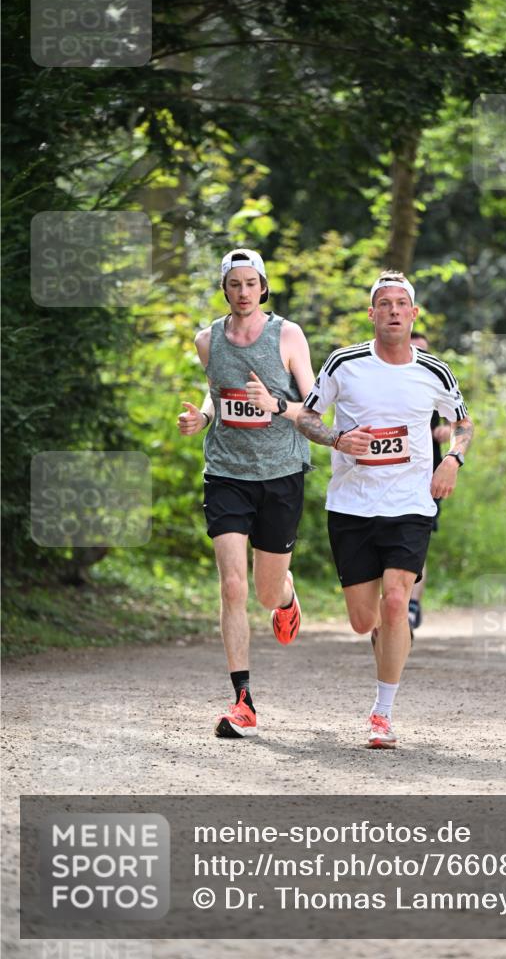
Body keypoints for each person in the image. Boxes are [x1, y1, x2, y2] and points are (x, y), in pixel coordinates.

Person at [296, 270, 473, 748]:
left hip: (410, 503)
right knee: (362, 620)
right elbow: (307, 417)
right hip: (352, 505)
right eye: (385, 304)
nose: (393, 311)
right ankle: (384, 644)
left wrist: (453, 459)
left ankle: (383, 713)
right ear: (371, 314)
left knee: (397, 601)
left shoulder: (435, 371)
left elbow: (464, 424)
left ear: (413, 315)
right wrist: (336, 437)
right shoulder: (343, 364)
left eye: (402, 304)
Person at [178, 248, 314, 737]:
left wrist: (276, 403)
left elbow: (311, 410)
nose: (242, 292)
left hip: (280, 473)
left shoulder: (289, 335)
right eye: (233, 284)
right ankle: (243, 701)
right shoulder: (207, 340)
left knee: (263, 592)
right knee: (232, 585)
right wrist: (202, 418)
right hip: (227, 472)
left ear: (263, 287)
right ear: (225, 289)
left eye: (250, 283)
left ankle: (286, 595)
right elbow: (216, 396)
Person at [408, 331, 451, 636]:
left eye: (422, 349)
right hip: (385, 475)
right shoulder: (380, 379)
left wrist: (447, 431)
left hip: (428, 475)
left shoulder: (435, 380)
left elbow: (459, 420)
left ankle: (411, 604)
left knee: (416, 541)